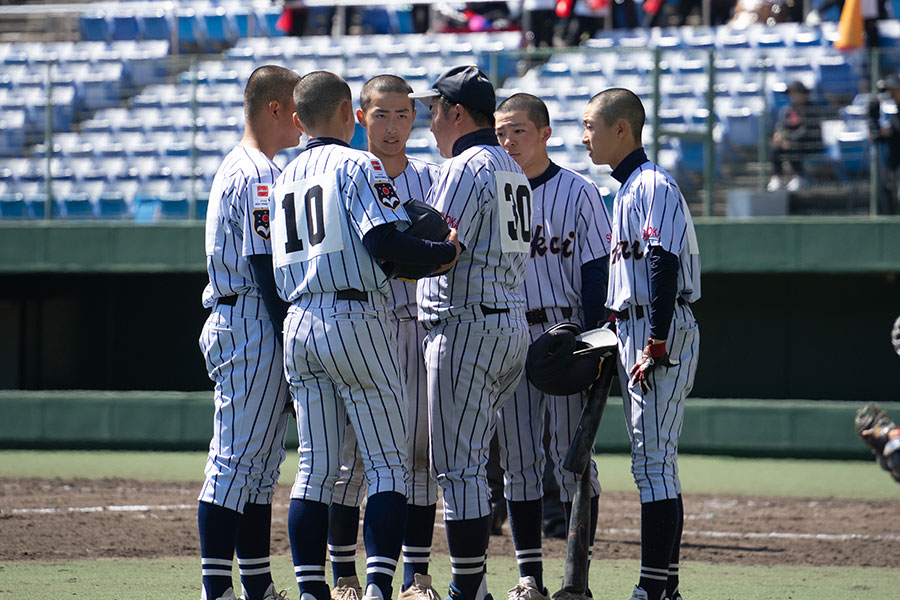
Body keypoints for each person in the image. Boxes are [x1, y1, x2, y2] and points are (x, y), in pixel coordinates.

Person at [270, 71, 461, 600]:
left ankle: (313, 590)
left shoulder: (284, 175)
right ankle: (378, 586)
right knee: (388, 465)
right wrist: (444, 253)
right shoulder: (358, 163)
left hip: (299, 320)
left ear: (299, 119)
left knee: (315, 469)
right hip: (356, 317)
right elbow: (385, 246)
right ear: (347, 112)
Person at [409, 65, 531, 600]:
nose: (429, 119)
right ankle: (474, 587)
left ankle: (467, 589)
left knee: (458, 470)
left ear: (457, 113)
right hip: (507, 323)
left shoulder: (463, 166)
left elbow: (440, 247)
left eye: (433, 109)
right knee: (473, 467)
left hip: (466, 326)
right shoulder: (511, 166)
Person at [325, 74, 443, 600]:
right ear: (360, 117)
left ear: (414, 117)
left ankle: (416, 575)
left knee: (419, 457)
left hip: (417, 326)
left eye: (401, 115)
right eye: (381, 115)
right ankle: (344, 576)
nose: (392, 127)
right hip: (360, 326)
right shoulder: (347, 175)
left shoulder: (433, 179)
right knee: (349, 462)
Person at [581, 88, 701, 600]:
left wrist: (655, 339)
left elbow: (662, 261)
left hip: (656, 327)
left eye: (591, 126)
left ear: (621, 129)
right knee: (655, 463)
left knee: (652, 463)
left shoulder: (652, 184)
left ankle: (652, 589)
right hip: (637, 326)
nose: (584, 137)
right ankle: (664, 587)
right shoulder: (629, 187)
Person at [494, 92, 613, 600]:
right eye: (500, 132)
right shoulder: (492, 190)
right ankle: (529, 577)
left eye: (518, 130)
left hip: (565, 335)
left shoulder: (579, 191)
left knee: (573, 462)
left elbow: (597, 271)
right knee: (518, 464)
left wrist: (593, 342)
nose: (508, 141)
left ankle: (575, 579)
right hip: (510, 334)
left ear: (544, 133)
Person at [197, 64, 301, 600]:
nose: (303, 121)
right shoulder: (259, 173)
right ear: (275, 109)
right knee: (235, 462)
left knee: (259, 468)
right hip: (251, 319)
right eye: (296, 110)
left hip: (244, 316)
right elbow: (264, 265)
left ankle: (257, 586)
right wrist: (289, 334)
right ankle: (217, 589)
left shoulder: (245, 165)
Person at [766, 80, 825, 193]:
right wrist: (779, 136)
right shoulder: (787, 110)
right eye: (792, 94)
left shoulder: (812, 109)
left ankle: (799, 177)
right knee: (775, 147)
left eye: (796, 93)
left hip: (810, 143)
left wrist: (789, 140)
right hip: (787, 142)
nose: (794, 96)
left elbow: (808, 130)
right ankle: (777, 177)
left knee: (792, 147)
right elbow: (780, 126)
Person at [869, 73, 900, 214]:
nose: (892, 94)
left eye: (895, 90)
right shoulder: (895, 113)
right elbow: (880, 136)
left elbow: (894, 131)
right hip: (894, 164)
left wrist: (891, 132)